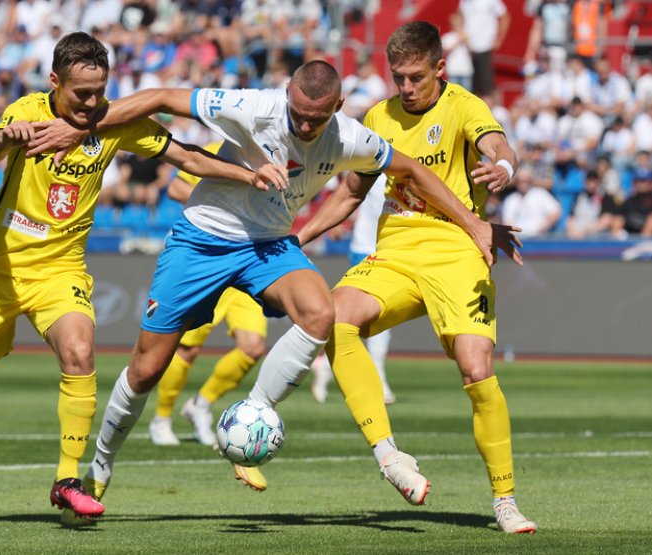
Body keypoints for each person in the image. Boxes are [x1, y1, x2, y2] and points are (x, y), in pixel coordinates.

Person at [28, 59, 504, 519]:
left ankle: (253, 411)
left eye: (316, 118)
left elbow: (414, 170)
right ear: (286, 97)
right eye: (297, 113)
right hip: (203, 239)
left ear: (337, 107)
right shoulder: (252, 107)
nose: (303, 125)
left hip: (269, 246)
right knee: (147, 368)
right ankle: (101, 465)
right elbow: (159, 97)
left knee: (322, 313)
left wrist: (474, 224)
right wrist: (83, 128)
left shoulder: (351, 139)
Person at [0, 31, 286, 525]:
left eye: (99, 91)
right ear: (54, 82)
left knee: (81, 352)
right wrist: (8, 137)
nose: (91, 103)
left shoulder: (114, 122)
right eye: (80, 93)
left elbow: (187, 156)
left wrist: (250, 174)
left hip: (60, 270)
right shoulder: (28, 109)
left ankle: (67, 480)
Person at [296, 21, 536, 534]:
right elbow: (349, 194)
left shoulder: (464, 105)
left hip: (459, 247)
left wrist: (504, 170)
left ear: (439, 69)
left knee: (476, 369)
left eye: (415, 77)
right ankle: (389, 456)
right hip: (397, 249)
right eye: (398, 77)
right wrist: (301, 237)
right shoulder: (379, 117)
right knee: (334, 318)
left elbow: (499, 145)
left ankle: (505, 500)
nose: (405, 88)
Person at [148, 142, 269, 461]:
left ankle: (201, 404)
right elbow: (175, 187)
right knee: (187, 348)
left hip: (247, 262)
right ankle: (161, 419)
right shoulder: (218, 149)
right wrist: (221, 210)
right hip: (208, 259)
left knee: (253, 347)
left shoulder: (273, 156)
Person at [310, 175, 395, 405]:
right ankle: (378, 377)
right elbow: (348, 193)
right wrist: (337, 222)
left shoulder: (404, 166)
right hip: (366, 249)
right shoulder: (375, 162)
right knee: (375, 315)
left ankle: (324, 366)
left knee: (370, 319)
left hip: (390, 250)